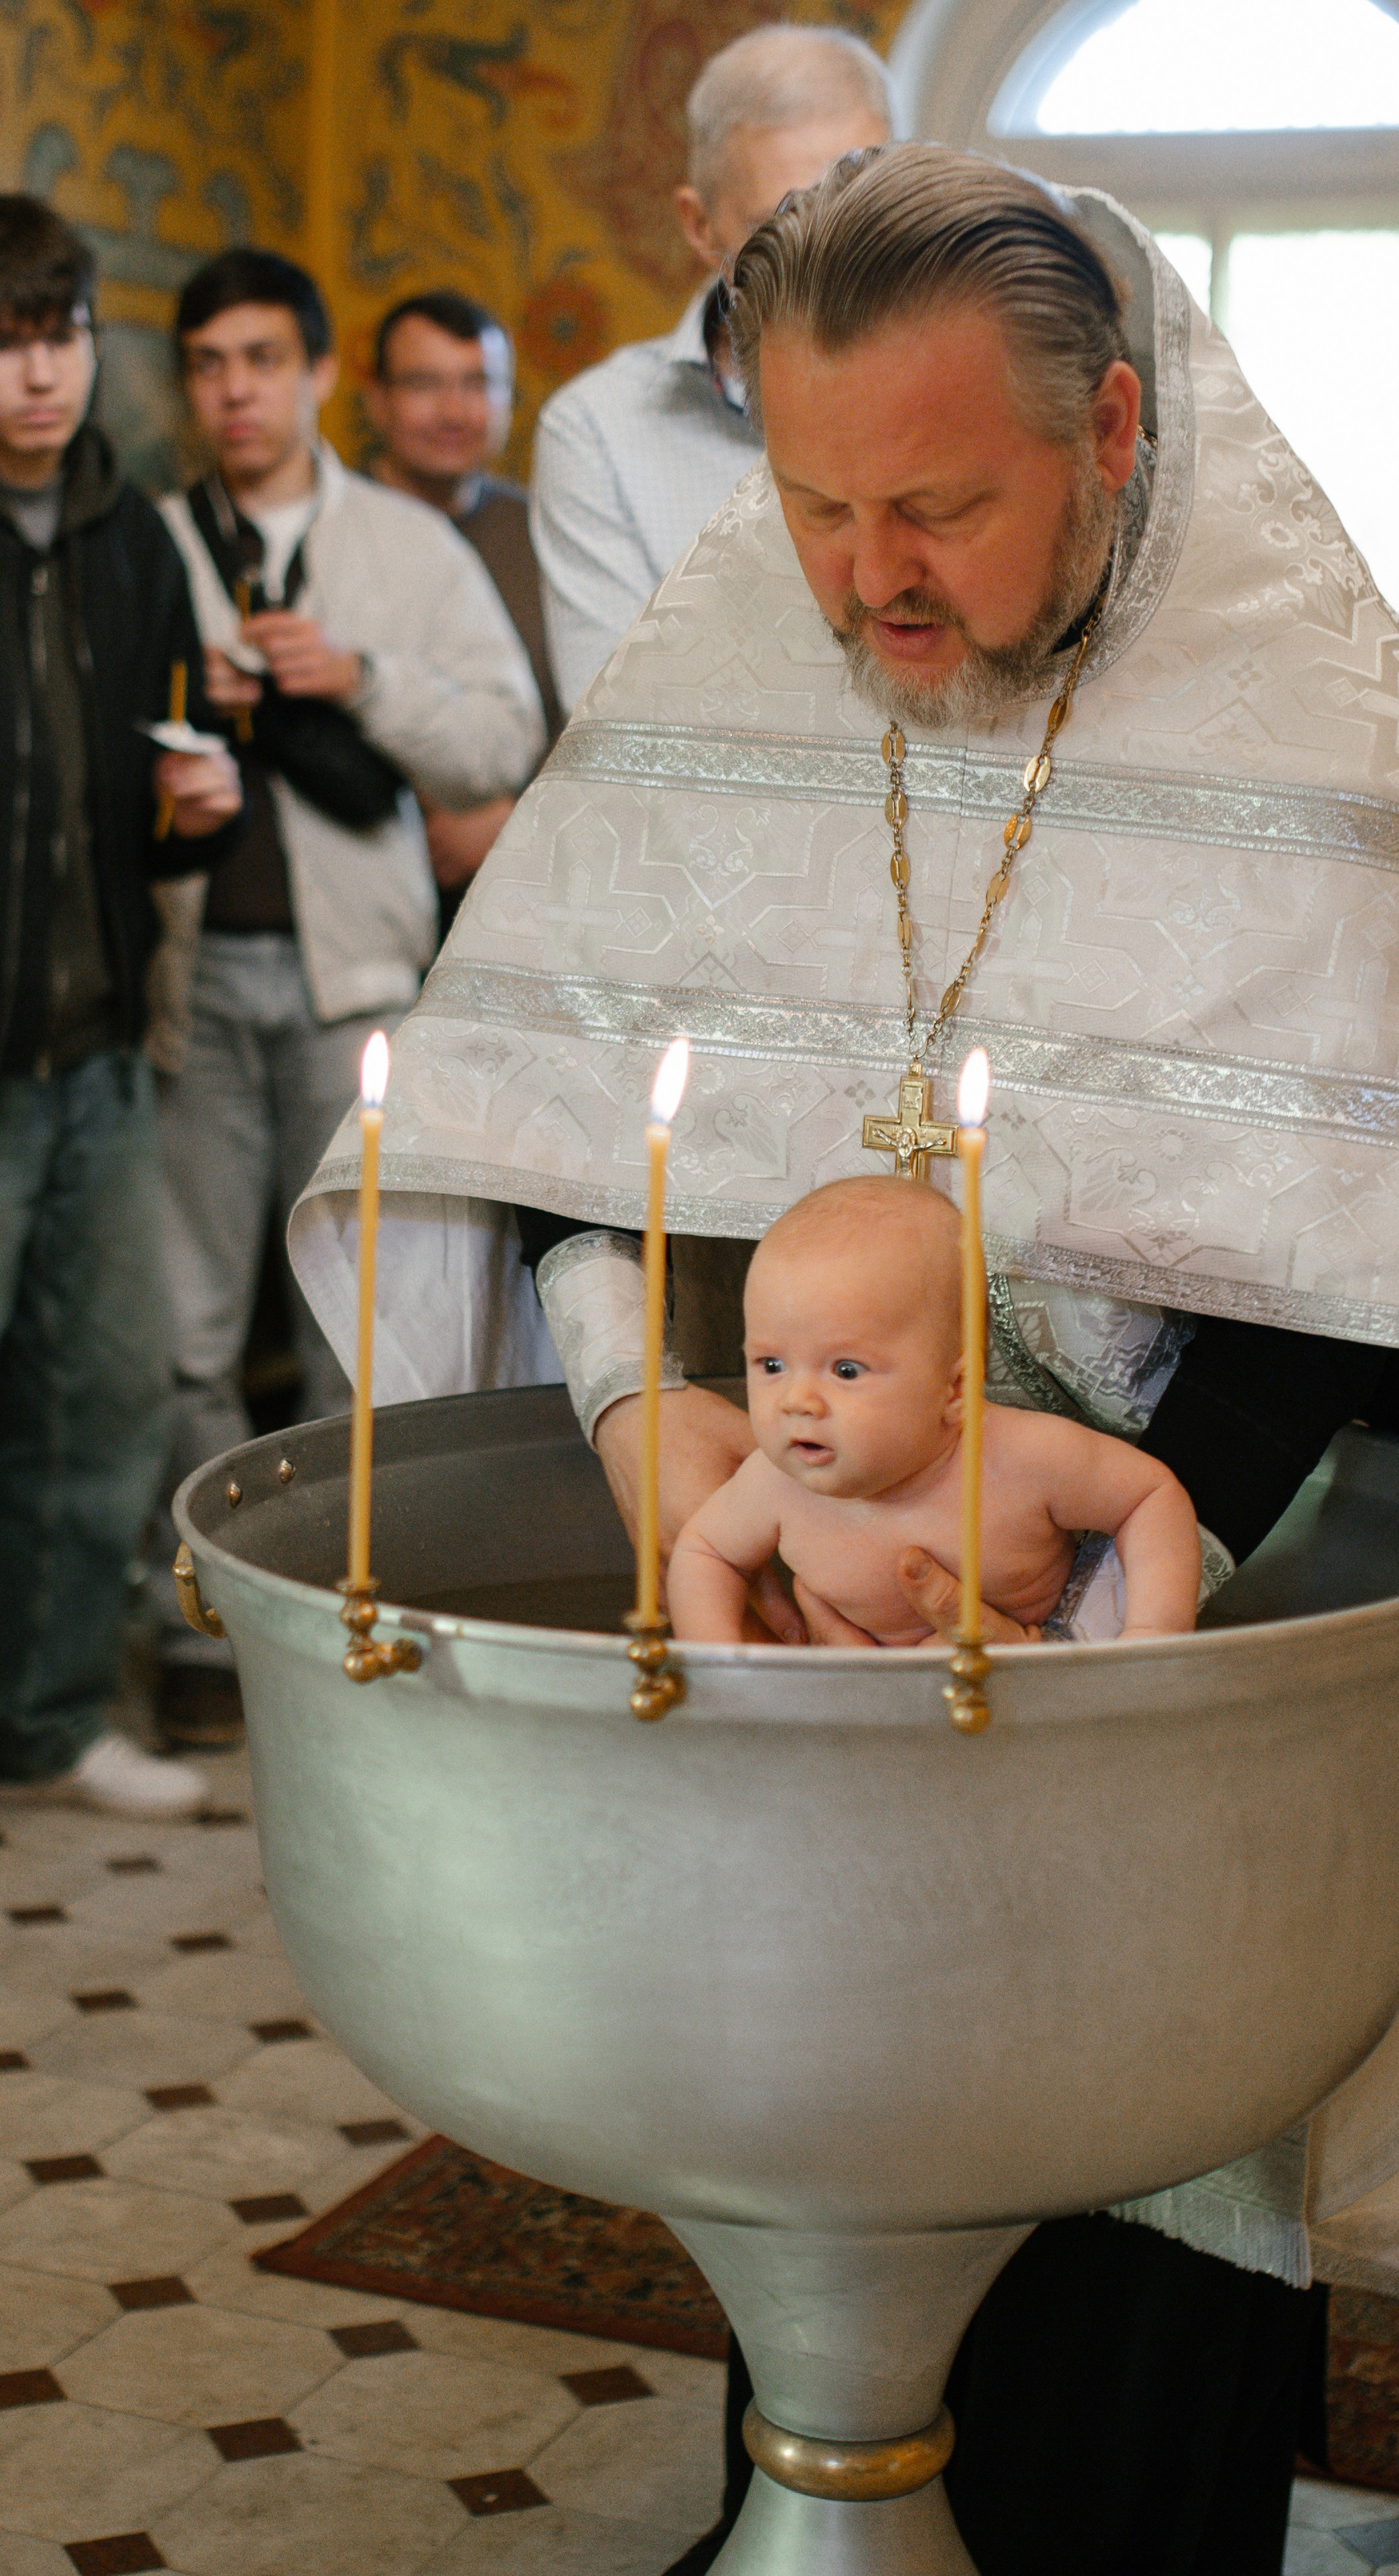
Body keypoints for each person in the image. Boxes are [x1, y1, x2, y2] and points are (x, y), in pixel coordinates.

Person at [292, 150, 1399, 2574]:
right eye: (822, 499)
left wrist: (1054, 1543)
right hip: (802, 1646)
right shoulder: (744, 678)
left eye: (941, 503)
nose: (866, 575)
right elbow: (570, 1123)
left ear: (1121, 435)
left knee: (1139, 2262)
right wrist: (663, 1423)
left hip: (1176, 1657)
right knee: (823, 2177)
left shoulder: (1327, 761)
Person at [152, 246, 544, 1747]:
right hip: (183, 984)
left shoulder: (404, 548)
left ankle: (340, 1631)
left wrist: (355, 674)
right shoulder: (153, 541)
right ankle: (213, 1628)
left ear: (321, 378)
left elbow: (497, 739)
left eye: (263, 359)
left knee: (350, 1322)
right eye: (207, 363)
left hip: (357, 989)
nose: (235, 389)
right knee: (183, 1337)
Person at [0, 196, 242, 1818]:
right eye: (9, 336)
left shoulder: (132, 531)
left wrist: (202, 796)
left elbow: (152, 776)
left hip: (99, 1048)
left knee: (97, 1403)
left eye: (63, 332)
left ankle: (56, 1712)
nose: (39, 373)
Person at [668, 1179, 1201, 1647]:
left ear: (956, 1388)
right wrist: (719, 1666)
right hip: (867, 1694)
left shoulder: (1023, 1458)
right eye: (772, 1363)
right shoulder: (774, 1485)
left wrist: (1151, 1636)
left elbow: (1148, 1498)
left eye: (847, 1370)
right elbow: (705, 1553)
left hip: (1026, 1678)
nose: (796, 1401)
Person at [530, 23, 891, 710]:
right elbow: (619, 728)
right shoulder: (597, 430)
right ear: (700, 227)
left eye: (862, 212)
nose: (832, 259)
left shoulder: (972, 402)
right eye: (782, 225)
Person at [365, 290, 562, 923]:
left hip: (530, 886)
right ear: (376, 397)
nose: (454, 411)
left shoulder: (547, 533)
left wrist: (510, 815)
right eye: (425, 384)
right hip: (368, 885)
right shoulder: (333, 528)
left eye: (479, 384)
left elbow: (596, 695)